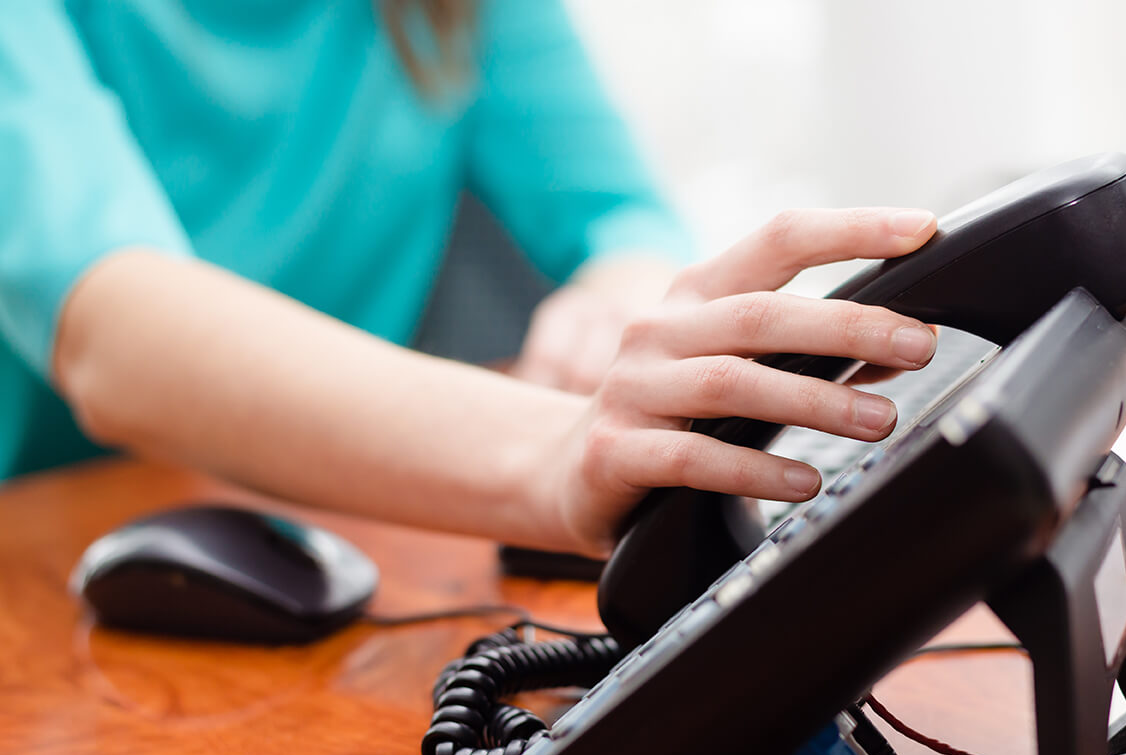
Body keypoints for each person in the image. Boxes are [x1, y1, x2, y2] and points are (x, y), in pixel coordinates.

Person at [1, 0, 939, 558]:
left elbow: (619, 212)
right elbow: (105, 321)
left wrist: (616, 302)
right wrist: (549, 452)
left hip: (333, 515)